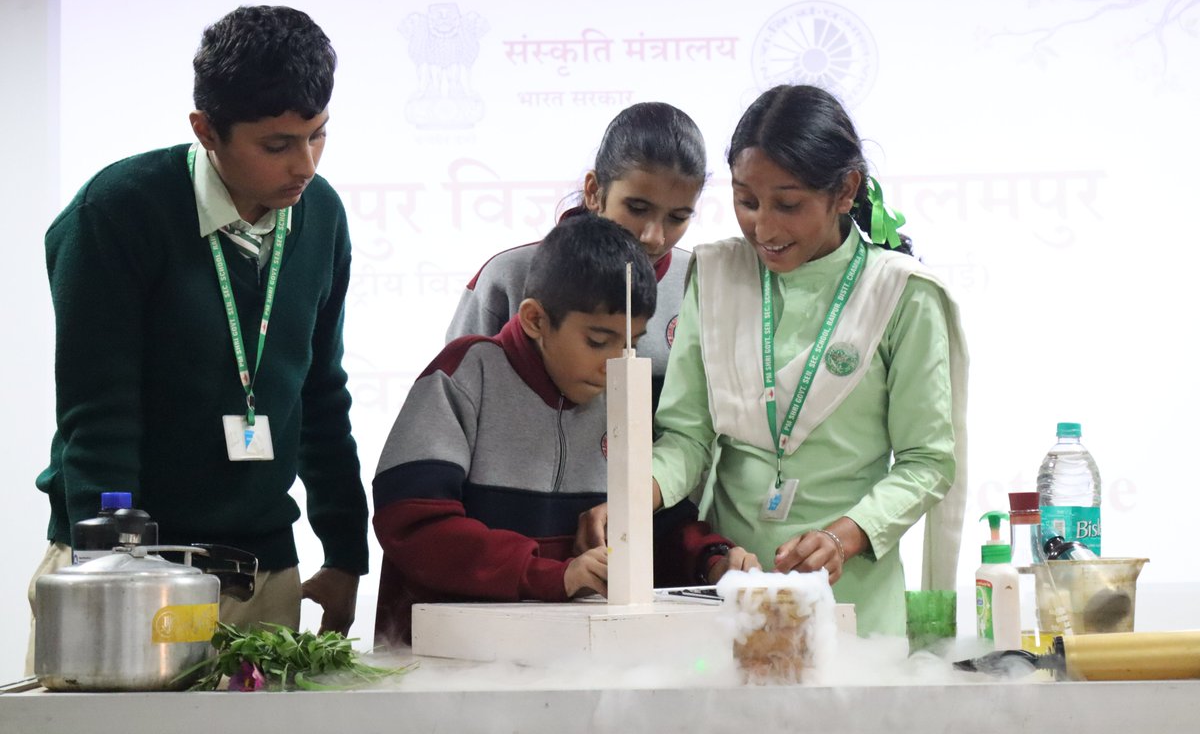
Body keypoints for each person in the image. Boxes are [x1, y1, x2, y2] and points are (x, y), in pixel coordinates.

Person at [29, 6, 369, 665]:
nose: (304, 165)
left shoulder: (321, 216)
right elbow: (98, 417)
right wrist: (114, 579)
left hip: (263, 573)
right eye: (277, 145)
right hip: (132, 573)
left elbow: (322, 394)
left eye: (318, 136)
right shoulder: (117, 212)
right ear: (206, 130)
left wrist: (346, 551)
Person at [648, 85, 968, 636]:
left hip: (852, 602)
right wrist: (635, 493)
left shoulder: (900, 294)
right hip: (730, 589)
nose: (764, 229)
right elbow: (686, 436)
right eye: (747, 201)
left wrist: (844, 536)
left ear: (845, 191)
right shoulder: (719, 275)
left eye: (788, 204)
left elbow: (927, 461)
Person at [373, 214, 756, 646]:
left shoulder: (622, 394)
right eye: (598, 341)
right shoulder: (465, 376)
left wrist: (712, 559)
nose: (615, 361)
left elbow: (655, 526)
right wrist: (553, 575)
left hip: (565, 663)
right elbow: (413, 525)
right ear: (535, 319)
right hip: (443, 662)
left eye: (631, 342)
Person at [445, 101, 707, 408]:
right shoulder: (508, 278)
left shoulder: (699, 283)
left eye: (677, 218)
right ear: (594, 191)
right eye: (637, 208)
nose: (654, 237)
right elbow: (452, 405)